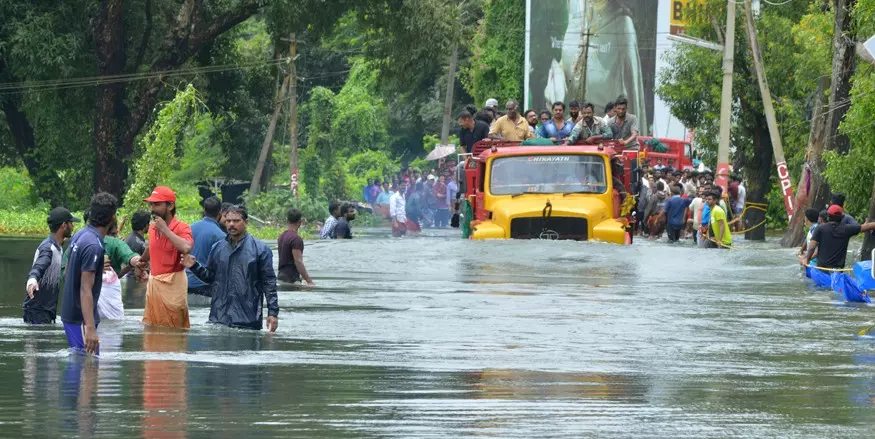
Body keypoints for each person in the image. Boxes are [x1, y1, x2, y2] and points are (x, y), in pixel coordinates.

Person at [183, 206, 279, 331]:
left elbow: (269, 283)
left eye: (236, 221)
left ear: (246, 222)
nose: (231, 224)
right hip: (219, 318)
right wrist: (194, 266)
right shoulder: (218, 248)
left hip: (247, 320)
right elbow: (211, 278)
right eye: (228, 221)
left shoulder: (260, 249)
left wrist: (272, 313)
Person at [61, 192, 118, 355]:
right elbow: (86, 289)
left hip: (74, 314)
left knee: (85, 367)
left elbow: (69, 274)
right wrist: (90, 328)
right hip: (80, 318)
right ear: (112, 217)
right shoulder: (93, 245)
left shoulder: (81, 234)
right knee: (86, 366)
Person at [138, 186, 194, 329]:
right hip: (154, 285)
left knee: (174, 331)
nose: (152, 208)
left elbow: (186, 247)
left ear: (170, 206)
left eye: (157, 204)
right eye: (151, 204)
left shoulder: (182, 227)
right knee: (151, 329)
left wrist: (165, 229)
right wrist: (142, 261)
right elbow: (152, 247)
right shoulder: (152, 227)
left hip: (173, 287)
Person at [24, 207, 80, 324]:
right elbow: (39, 266)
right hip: (37, 313)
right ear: (64, 225)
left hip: (46, 312)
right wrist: (32, 279)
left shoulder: (58, 247)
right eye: (71, 223)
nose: (73, 227)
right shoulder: (48, 248)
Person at [803, 205, 875, 269]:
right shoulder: (847, 229)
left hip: (822, 270)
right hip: (838, 271)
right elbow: (867, 226)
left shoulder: (820, 228)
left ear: (828, 217)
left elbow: (812, 247)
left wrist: (807, 259)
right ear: (842, 217)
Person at [187, 196, 225, 298]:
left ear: (204, 210)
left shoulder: (189, 228)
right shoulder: (221, 236)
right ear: (220, 212)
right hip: (204, 286)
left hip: (184, 283)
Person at [277, 208, 314, 286]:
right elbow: (298, 261)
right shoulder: (296, 239)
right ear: (300, 223)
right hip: (291, 279)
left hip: (280, 277)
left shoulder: (281, 236)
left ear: (287, 220)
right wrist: (309, 281)